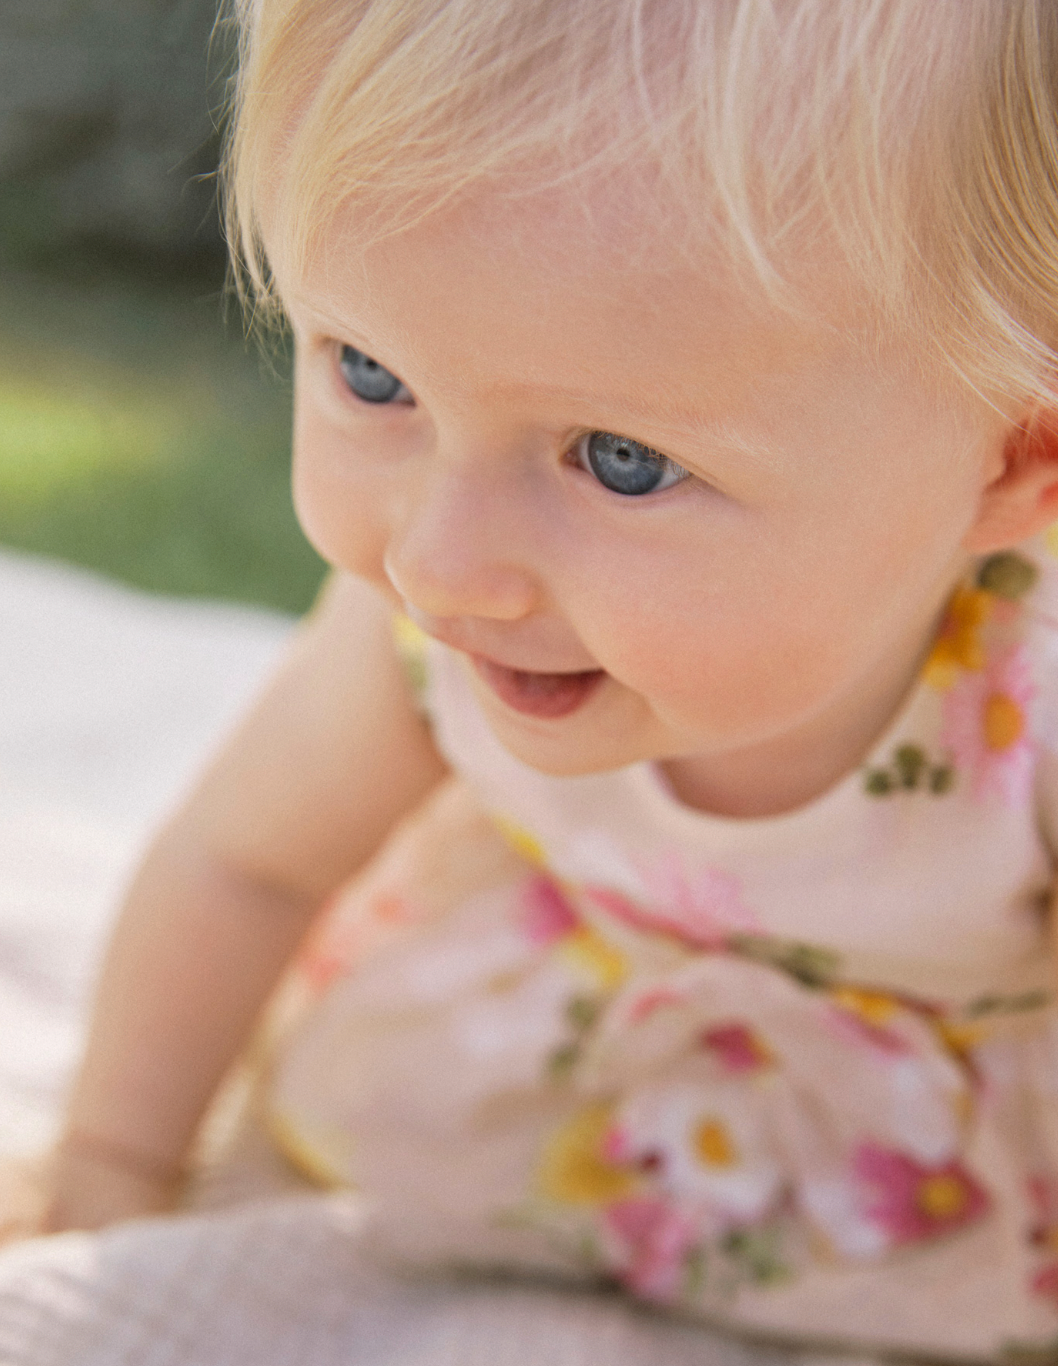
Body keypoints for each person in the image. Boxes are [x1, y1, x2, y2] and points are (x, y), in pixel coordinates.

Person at [11, 0, 1058, 1357]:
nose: (443, 568)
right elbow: (242, 863)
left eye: (620, 459)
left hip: (949, 1194)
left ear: (1006, 465)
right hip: (548, 1099)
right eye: (371, 373)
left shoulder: (1024, 701)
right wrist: (113, 1159)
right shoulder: (427, 621)